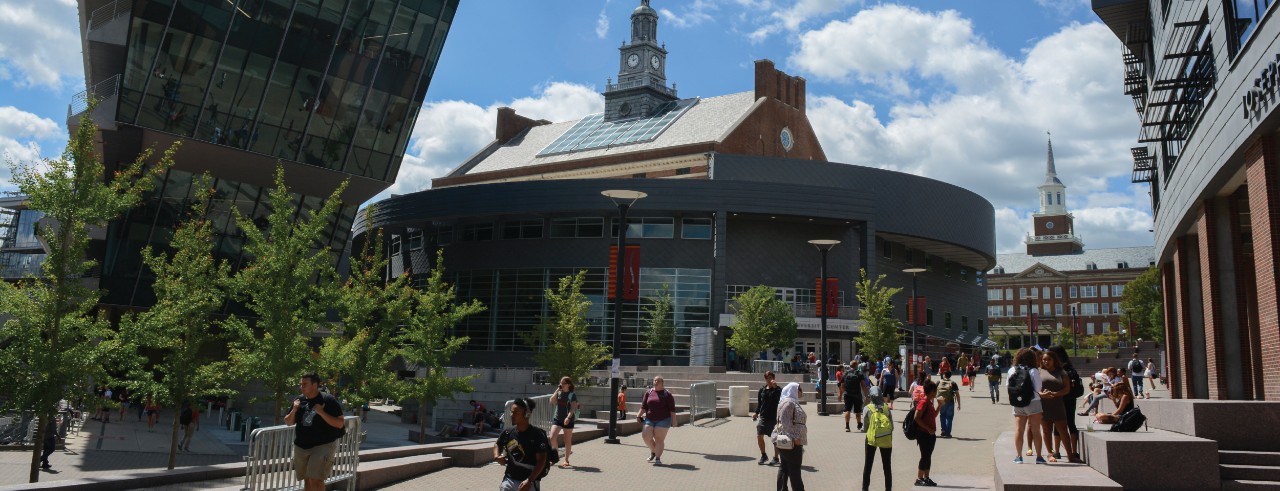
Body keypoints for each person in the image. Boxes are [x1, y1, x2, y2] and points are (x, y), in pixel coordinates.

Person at [285, 373, 345, 491]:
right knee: (307, 479)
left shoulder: (327, 400)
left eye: (305, 384)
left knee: (316, 479)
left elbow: (340, 423)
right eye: (301, 384)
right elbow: (288, 422)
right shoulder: (299, 400)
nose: (301, 387)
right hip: (301, 446)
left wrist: (321, 412)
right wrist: (294, 409)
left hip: (323, 445)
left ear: (315, 385)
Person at [495, 397, 549, 491]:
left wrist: (529, 481)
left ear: (527, 414)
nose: (512, 415)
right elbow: (497, 444)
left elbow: (541, 461)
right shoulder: (508, 432)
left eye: (516, 413)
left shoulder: (537, 435)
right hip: (510, 479)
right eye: (512, 412)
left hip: (530, 481)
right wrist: (497, 456)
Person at [1007, 348, 1045, 464]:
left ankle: (1019, 456)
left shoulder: (1012, 370)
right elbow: (1038, 388)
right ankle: (1039, 457)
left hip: (1017, 402)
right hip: (1033, 402)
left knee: (1019, 429)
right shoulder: (1033, 370)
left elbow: (1008, 386)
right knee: (1036, 430)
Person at [1038, 350, 1076, 462]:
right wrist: (1042, 394)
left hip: (1058, 405)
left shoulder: (1061, 372)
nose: (1046, 361)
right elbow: (1034, 389)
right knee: (1046, 430)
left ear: (1054, 360)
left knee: (1063, 430)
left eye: (1049, 359)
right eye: (1044, 359)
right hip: (1043, 405)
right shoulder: (1038, 371)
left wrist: (1056, 394)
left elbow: (1067, 389)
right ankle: (1050, 453)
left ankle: (1070, 455)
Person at [1048, 345, 1083, 463]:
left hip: (1058, 398)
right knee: (1071, 423)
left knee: (1057, 424)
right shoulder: (1069, 366)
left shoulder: (1056, 368)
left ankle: (1057, 451)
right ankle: (1074, 451)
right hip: (1071, 398)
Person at [773, 382, 808, 491]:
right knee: (794, 471)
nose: (801, 391)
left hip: (789, 442)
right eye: (799, 389)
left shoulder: (789, 402)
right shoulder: (789, 403)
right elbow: (785, 422)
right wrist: (795, 438)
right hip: (791, 443)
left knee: (784, 468)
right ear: (793, 390)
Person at [638, 375, 678, 465]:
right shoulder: (649, 392)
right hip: (649, 419)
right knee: (646, 436)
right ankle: (653, 451)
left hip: (663, 420)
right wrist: (638, 415)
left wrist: (674, 420)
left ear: (662, 383)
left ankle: (657, 458)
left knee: (659, 439)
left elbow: (672, 409)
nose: (655, 382)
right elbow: (644, 406)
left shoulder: (667, 394)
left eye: (658, 381)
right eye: (654, 380)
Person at [861, 387, 892, 491]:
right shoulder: (886, 407)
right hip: (885, 439)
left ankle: (865, 489)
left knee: (868, 465)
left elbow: (865, 428)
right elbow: (891, 426)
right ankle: (888, 489)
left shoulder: (867, 408)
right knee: (887, 466)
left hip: (871, 439)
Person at [548, 376, 579, 468]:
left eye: (563, 383)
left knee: (567, 440)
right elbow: (551, 401)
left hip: (568, 419)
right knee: (552, 437)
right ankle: (555, 457)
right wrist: (557, 390)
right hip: (557, 418)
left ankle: (566, 460)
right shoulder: (559, 393)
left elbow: (573, 408)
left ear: (568, 384)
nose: (561, 384)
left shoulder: (572, 395)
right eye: (560, 382)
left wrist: (568, 418)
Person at [913, 380, 939, 487]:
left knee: (928, 456)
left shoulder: (930, 402)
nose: (936, 393)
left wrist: (940, 405)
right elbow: (916, 418)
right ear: (931, 391)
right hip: (923, 434)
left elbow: (933, 416)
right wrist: (928, 429)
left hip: (930, 435)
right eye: (935, 391)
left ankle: (926, 477)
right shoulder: (923, 402)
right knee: (924, 456)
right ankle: (919, 478)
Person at [753, 371, 782, 465]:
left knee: (775, 439)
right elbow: (760, 404)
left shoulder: (778, 390)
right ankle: (763, 455)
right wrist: (756, 413)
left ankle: (776, 458)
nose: (769, 380)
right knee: (759, 435)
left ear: (774, 378)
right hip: (763, 417)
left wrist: (775, 387)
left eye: (770, 377)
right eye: (767, 378)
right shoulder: (762, 390)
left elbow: (780, 399)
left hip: (774, 418)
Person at [841, 364, 867, 432]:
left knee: (847, 410)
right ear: (856, 366)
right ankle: (859, 424)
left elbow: (842, 385)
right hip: (857, 395)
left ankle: (847, 426)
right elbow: (863, 385)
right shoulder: (859, 373)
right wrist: (866, 395)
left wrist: (844, 393)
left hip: (847, 395)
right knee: (858, 411)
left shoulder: (846, 373)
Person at [936, 371, 961, 438]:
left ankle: (943, 430)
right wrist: (959, 404)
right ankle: (948, 433)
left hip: (941, 401)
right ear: (950, 376)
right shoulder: (953, 383)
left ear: (944, 375)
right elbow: (957, 394)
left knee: (942, 415)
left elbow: (934, 391)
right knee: (949, 417)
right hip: (950, 401)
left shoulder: (939, 382)